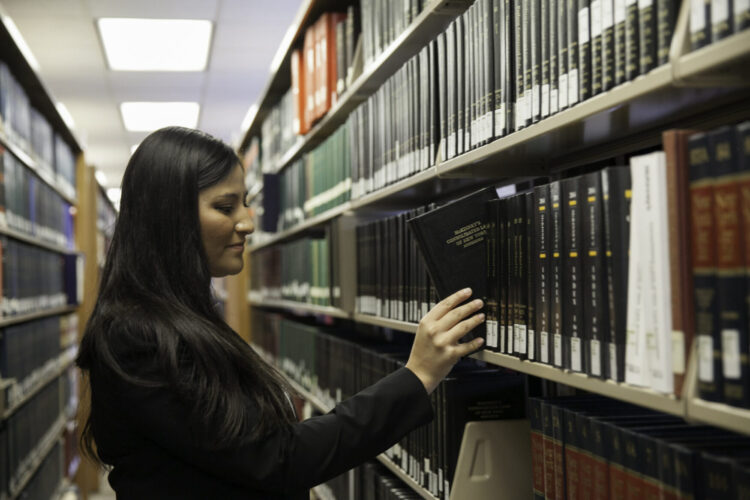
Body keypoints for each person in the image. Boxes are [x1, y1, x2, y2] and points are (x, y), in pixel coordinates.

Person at [76, 126, 485, 499]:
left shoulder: (180, 315)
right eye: (225, 206)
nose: (248, 222)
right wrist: (417, 376)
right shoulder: (136, 336)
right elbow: (275, 459)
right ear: (169, 217)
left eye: (247, 203)